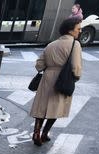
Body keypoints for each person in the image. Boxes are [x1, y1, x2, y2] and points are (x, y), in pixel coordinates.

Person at [29, 18, 83, 146]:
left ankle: (36, 132)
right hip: (63, 78)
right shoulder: (75, 44)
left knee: (41, 107)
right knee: (56, 108)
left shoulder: (51, 44)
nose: (80, 31)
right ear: (70, 29)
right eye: (78, 29)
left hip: (47, 77)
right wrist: (76, 77)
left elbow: (39, 65)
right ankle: (45, 133)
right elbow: (76, 66)